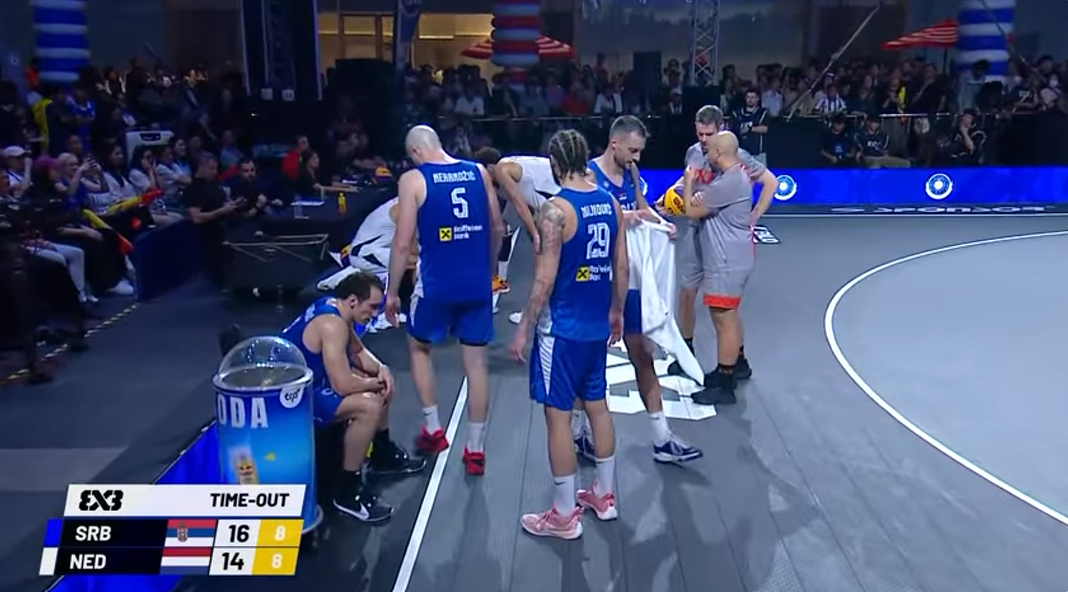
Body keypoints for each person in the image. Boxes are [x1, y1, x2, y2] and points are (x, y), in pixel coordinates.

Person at [508, 129, 627, 539]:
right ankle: (604, 497)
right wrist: (616, 312)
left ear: (555, 163)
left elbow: (544, 280)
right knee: (597, 406)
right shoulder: (610, 202)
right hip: (596, 325)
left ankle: (563, 515)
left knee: (557, 416)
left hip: (561, 330)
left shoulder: (555, 211)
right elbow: (621, 266)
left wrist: (523, 327)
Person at [384, 125, 505, 476]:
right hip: (476, 285)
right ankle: (475, 450)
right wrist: (489, 271)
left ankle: (434, 430)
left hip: (435, 286)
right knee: (477, 365)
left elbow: (402, 243)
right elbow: (498, 227)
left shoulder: (413, 180)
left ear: (416, 153)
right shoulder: (478, 171)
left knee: (418, 347)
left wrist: (391, 292)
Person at [581, 115, 701, 465]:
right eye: (632, 150)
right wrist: (628, 217)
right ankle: (578, 431)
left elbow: (642, 209)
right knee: (588, 360)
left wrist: (662, 224)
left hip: (629, 279)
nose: (636, 157)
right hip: (597, 279)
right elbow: (591, 218)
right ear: (614, 144)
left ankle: (662, 438)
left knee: (642, 353)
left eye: (639, 152)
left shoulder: (631, 172)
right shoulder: (589, 176)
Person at [279, 272, 425, 522]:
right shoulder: (332, 325)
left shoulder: (338, 309)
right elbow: (343, 384)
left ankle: (381, 454)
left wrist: (382, 369)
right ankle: (347, 491)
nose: (375, 314)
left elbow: (357, 351)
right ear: (354, 300)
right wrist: (375, 383)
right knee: (369, 405)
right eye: (372, 307)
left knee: (378, 384)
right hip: (290, 398)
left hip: (305, 384)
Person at [664, 105, 777, 383]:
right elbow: (688, 178)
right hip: (697, 231)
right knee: (686, 293)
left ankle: (737, 360)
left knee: (725, 308)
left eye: (709, 134)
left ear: (721, 129)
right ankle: (686, 352)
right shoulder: (694, 153)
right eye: (700, 134)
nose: (704, 140)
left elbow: (770, 182)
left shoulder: (736, 157)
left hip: (720, 236)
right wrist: (671, 195)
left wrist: (754, 216)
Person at [683, 132, 757, 406]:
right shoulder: (735, 177)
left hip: (725, 261)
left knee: (723, 321)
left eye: (710, 150)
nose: (707, 155)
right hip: (733, 258)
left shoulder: (728, 182)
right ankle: (730, 368)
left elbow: (692, 211)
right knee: (729, 317)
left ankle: (725, 386)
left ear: (718, 153)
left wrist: (689, 184)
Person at [491, 152, 560, 313]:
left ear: (489, 168)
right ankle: (538, 311)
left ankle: (537, 313)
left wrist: (534, 234)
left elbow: (520, 204)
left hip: (557, 198)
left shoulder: (502, 169)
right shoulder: (513, 167)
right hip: (551, 197)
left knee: (545, 264)